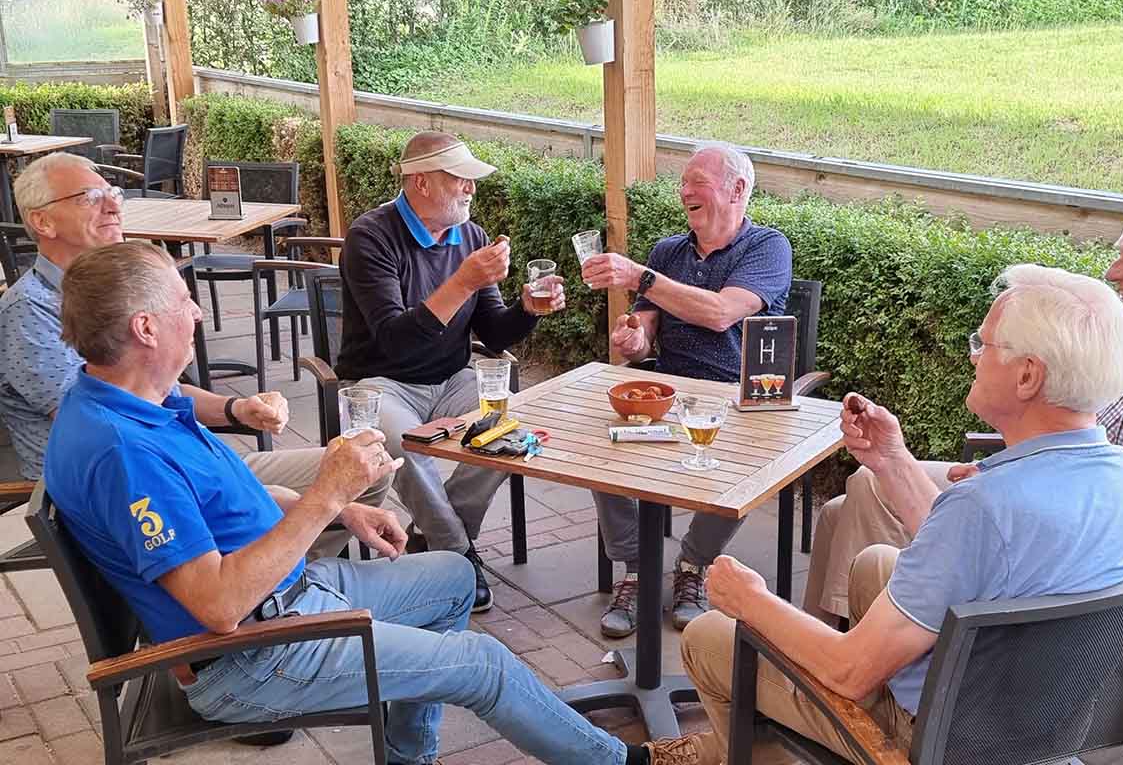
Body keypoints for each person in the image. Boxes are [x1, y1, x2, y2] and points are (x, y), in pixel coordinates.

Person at [43, 241, 693, 765]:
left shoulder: (130, 398)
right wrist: (327, 491)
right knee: (484, 665)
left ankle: (408, 755)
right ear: (145, 327)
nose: (197, 313)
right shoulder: (124, 451)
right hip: (251, 656)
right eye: (184, 301)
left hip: (287, 600)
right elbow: (217, 605)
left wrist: (339, 508)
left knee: (454, 577)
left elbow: (222, 499)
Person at [655, 264, 1123, 764]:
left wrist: (751, 600)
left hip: (942, 741)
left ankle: (734, 753)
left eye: (984, 344)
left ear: (1028, 375)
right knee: (876, 562)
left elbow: (850, 672)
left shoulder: (985, 507)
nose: (973, 356)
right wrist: (892, 461)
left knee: (710, 637)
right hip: (1042, 722)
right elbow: (971, 555)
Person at [804, 198, 1123, 626]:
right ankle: (826, 634)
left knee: (874, 501)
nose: (1112, 271)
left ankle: (875, 634)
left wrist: (1012, 486)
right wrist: (1007, 474)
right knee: (839, 511)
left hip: (1069, 542)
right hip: (1047, 489)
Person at [0, 152, 383, 560]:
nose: (113, 205)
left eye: (113, 192)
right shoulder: (29, 312)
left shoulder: (117, 289)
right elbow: (109, 425)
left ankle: (289, 574)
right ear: (42, 221)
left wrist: (237, 409)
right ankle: (280, 583)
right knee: (330, 491)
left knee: (367, 467)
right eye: (89, 197)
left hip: (181, 459)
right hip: (135, 488)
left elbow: (153, 392)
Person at [337, 131, 564, 612]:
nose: (471, 189)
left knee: (514, 431)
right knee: (401, 443)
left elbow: (494, 332)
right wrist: (463, 280)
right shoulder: (370, 236)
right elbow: (394, 339)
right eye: (460, 178)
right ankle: (459, 553)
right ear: (421, 182)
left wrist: (527, 309)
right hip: (381, 381)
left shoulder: (471, 236)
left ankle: (436, 533)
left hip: (453, 377)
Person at [579, 145, 792, 637]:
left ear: (738, 190)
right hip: (668, 396)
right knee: (597, 449)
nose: (684, 191)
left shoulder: (767, 247)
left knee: (752, 460)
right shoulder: (668, 252)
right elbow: (645, 331)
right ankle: (638, 567)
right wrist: (634, 338)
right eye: (682, 182)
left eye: (698, 181)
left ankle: (693, 565)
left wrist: (639, 276)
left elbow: (720, 313)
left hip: (736, 398)